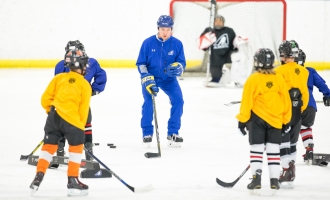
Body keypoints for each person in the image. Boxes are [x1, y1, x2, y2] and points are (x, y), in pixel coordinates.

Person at [30, 49, 91, 196]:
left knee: (48, 149)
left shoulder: (58, 78)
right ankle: (73, 181)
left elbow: (45, 99)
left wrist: (51, 112)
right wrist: (80, 127)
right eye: (85, 64)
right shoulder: (85, 85)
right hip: (72, 122)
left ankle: (38, 177)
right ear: (81, 65)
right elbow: (84, 111)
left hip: (54, 117)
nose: (86, 67)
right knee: (76, 150)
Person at [236, 48, 291, 193]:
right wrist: (286, 120)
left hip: (257, 120)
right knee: (273, 150)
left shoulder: (253, 79)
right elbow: (286, 101)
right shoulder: (278, 78)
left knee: (257, 149)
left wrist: (242, 120)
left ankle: (256, 180)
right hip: (276, 120)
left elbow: (246, 102)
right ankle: (274, 181)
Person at [136, 15, 186, 147]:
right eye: (163, 29)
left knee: (179, 100)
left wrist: (179, 68)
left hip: (169, 79)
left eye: (168, 29)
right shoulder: (148, 43)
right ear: (158, 28)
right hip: (150, 79)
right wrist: (146, 77)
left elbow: (181, 62)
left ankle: (173, 133)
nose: (165, 32)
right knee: (148, 102)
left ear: (171, 30)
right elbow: (141, 63)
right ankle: (147, 133)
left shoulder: (177, 44)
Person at [54, 40, 107, 161]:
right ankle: (61, 149)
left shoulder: (90, 63)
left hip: (78, 100)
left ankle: (87, 150)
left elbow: (101, 75)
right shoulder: (61, 65)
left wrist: (94, 90)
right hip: (67, 101)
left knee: (84, 122)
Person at [274, 40, 309, 187]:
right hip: (298, 110)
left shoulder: (279, 71)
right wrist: (300, 110)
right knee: (293, 141)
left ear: (284, 54)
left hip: (284, 111)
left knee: (282, 142)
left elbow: (276, 93)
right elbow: (305, 94)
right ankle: (291, 170)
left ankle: (286, 169)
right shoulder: (304, 71)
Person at [294, 49, 330, 164]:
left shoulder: (288, 72)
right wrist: (328, 95)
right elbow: (321, 84)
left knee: (288, 130)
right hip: (310, 107)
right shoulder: (310, 71)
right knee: (305, 128)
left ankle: (285, 153)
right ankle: (309, 148)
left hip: (295, 106)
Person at [200, 14, 236, 87]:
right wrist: (206, 34)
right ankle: (217, 78)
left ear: (223, 22)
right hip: (215, 58)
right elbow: (203, 46)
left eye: (220, 21)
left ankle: (234, 79)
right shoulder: (210, 31)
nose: (218, 22)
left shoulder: (229, 31)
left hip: (227, 56)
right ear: (213, 23)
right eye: (216, 21)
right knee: (215, 70)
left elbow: (234, 44)